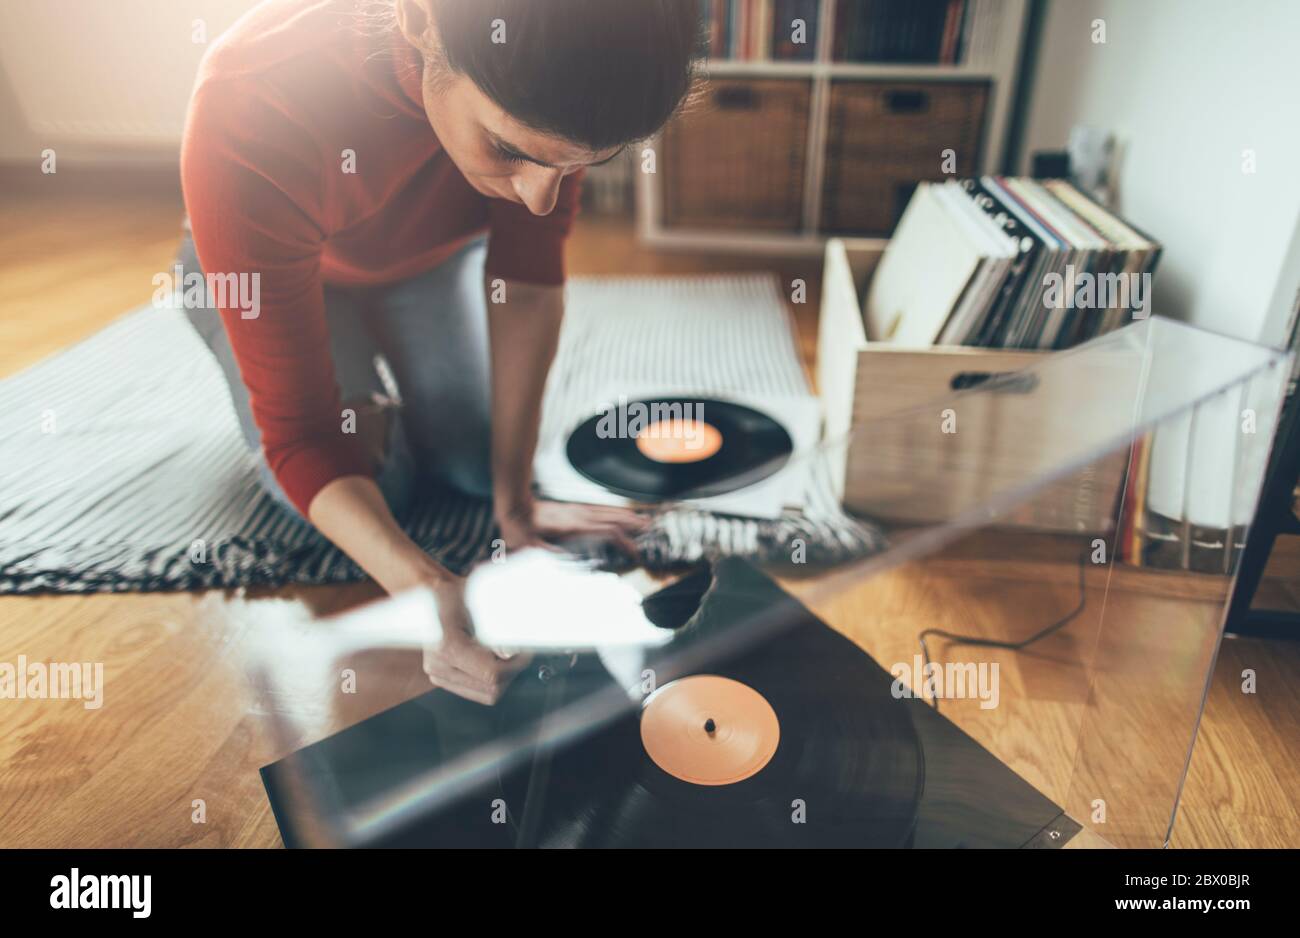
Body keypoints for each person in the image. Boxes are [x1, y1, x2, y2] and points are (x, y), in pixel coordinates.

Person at [179, 0, 703, 702]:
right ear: (418, 20)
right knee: (377, 486)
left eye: (577, 165)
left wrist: (514, 502)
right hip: (271, 274)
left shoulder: (564, 77)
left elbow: (526, 285)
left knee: (471, 464)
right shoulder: (248, 102)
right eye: (510, 150)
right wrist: (423, 587)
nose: (540, 200)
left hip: (422, 264)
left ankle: (375, 377)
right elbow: (302, 436)